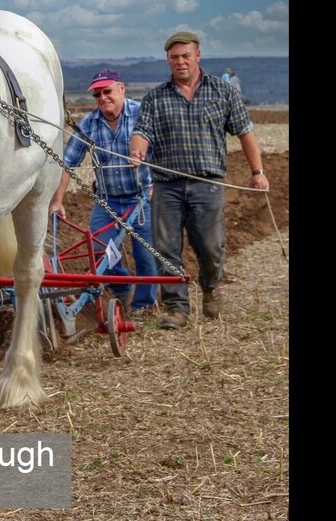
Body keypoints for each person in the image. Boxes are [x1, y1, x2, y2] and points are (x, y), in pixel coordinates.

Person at [129, 31, 269, 329]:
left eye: (185, 56)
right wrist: (137, 152)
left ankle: (210, 287)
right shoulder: (155, 97)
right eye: (174, 57)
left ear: (198, 56)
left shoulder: (223, 92)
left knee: (210, 246)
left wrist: (258, 172)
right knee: (166, 249)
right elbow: (142, 133)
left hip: (208, 183)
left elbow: (245, 132)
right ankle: (176, 307)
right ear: (168, 60)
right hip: (167, 185)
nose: (180, 62)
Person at [49, 69, 158, 314]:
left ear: (122, 88)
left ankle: (144, 306)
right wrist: (57, 200)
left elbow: (165, 154)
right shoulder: (89, 124)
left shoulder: (143, 115)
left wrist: (157, 187)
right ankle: (121, 288)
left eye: (107, 91)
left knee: (146, 255)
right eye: (97, 94)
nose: (103, 98)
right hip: (107, 201)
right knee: (100, 249)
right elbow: (67, 162)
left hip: (142, 199)